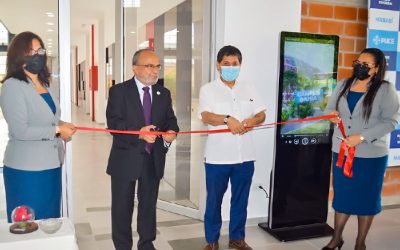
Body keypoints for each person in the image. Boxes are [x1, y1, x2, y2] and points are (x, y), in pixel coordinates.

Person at [324, 48, 400, 250]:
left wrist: (362, 136)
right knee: (343, 196)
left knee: (366, 198)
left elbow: (391, 122)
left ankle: (360, 242)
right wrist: (331, 115)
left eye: (366, 65)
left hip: (371, 155)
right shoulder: (343, 85)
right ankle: (336, 238)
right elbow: (329, 108)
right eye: (358, 62)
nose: (360, 66)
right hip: (342, 150)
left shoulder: (385, 89)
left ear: (376, 69)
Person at [106, 49, 179, 250]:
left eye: (157, 66)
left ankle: (146, 244)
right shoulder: (119, 92)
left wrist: (172, 131)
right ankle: (122, 246)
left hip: (152, 158)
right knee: (122, 208)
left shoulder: (163, 93)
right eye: (149, 66)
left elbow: (170, 119)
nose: (155, 71)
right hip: (125, 158)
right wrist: (138, 133)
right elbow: (114, 124)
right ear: (134, 68)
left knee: (148, 206)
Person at [0, 31, 76, 222]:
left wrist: (61, 125)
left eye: (40, 50)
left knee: (50, 220)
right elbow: (21, 130)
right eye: (31, 51)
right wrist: (57, 130)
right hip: (27, 170)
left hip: (52, 164)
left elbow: (49, 119)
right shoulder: (12, 86)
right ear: (18, 56)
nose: (37, 55)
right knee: (28, 224)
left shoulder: (45, 84)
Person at [198, 45, 266, 250]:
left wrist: (252, 121)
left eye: (234, 64)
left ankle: (237, 238)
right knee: (214, 202)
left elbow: (262, 114)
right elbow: (205, 116)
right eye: (226, 64)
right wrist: (227, 119)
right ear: (218, 65)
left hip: (245, 157)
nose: (230, 67)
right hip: (218, 158)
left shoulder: (249, 87)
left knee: (240, 200)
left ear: (240, 65)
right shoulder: (208, 89)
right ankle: (212, 240)